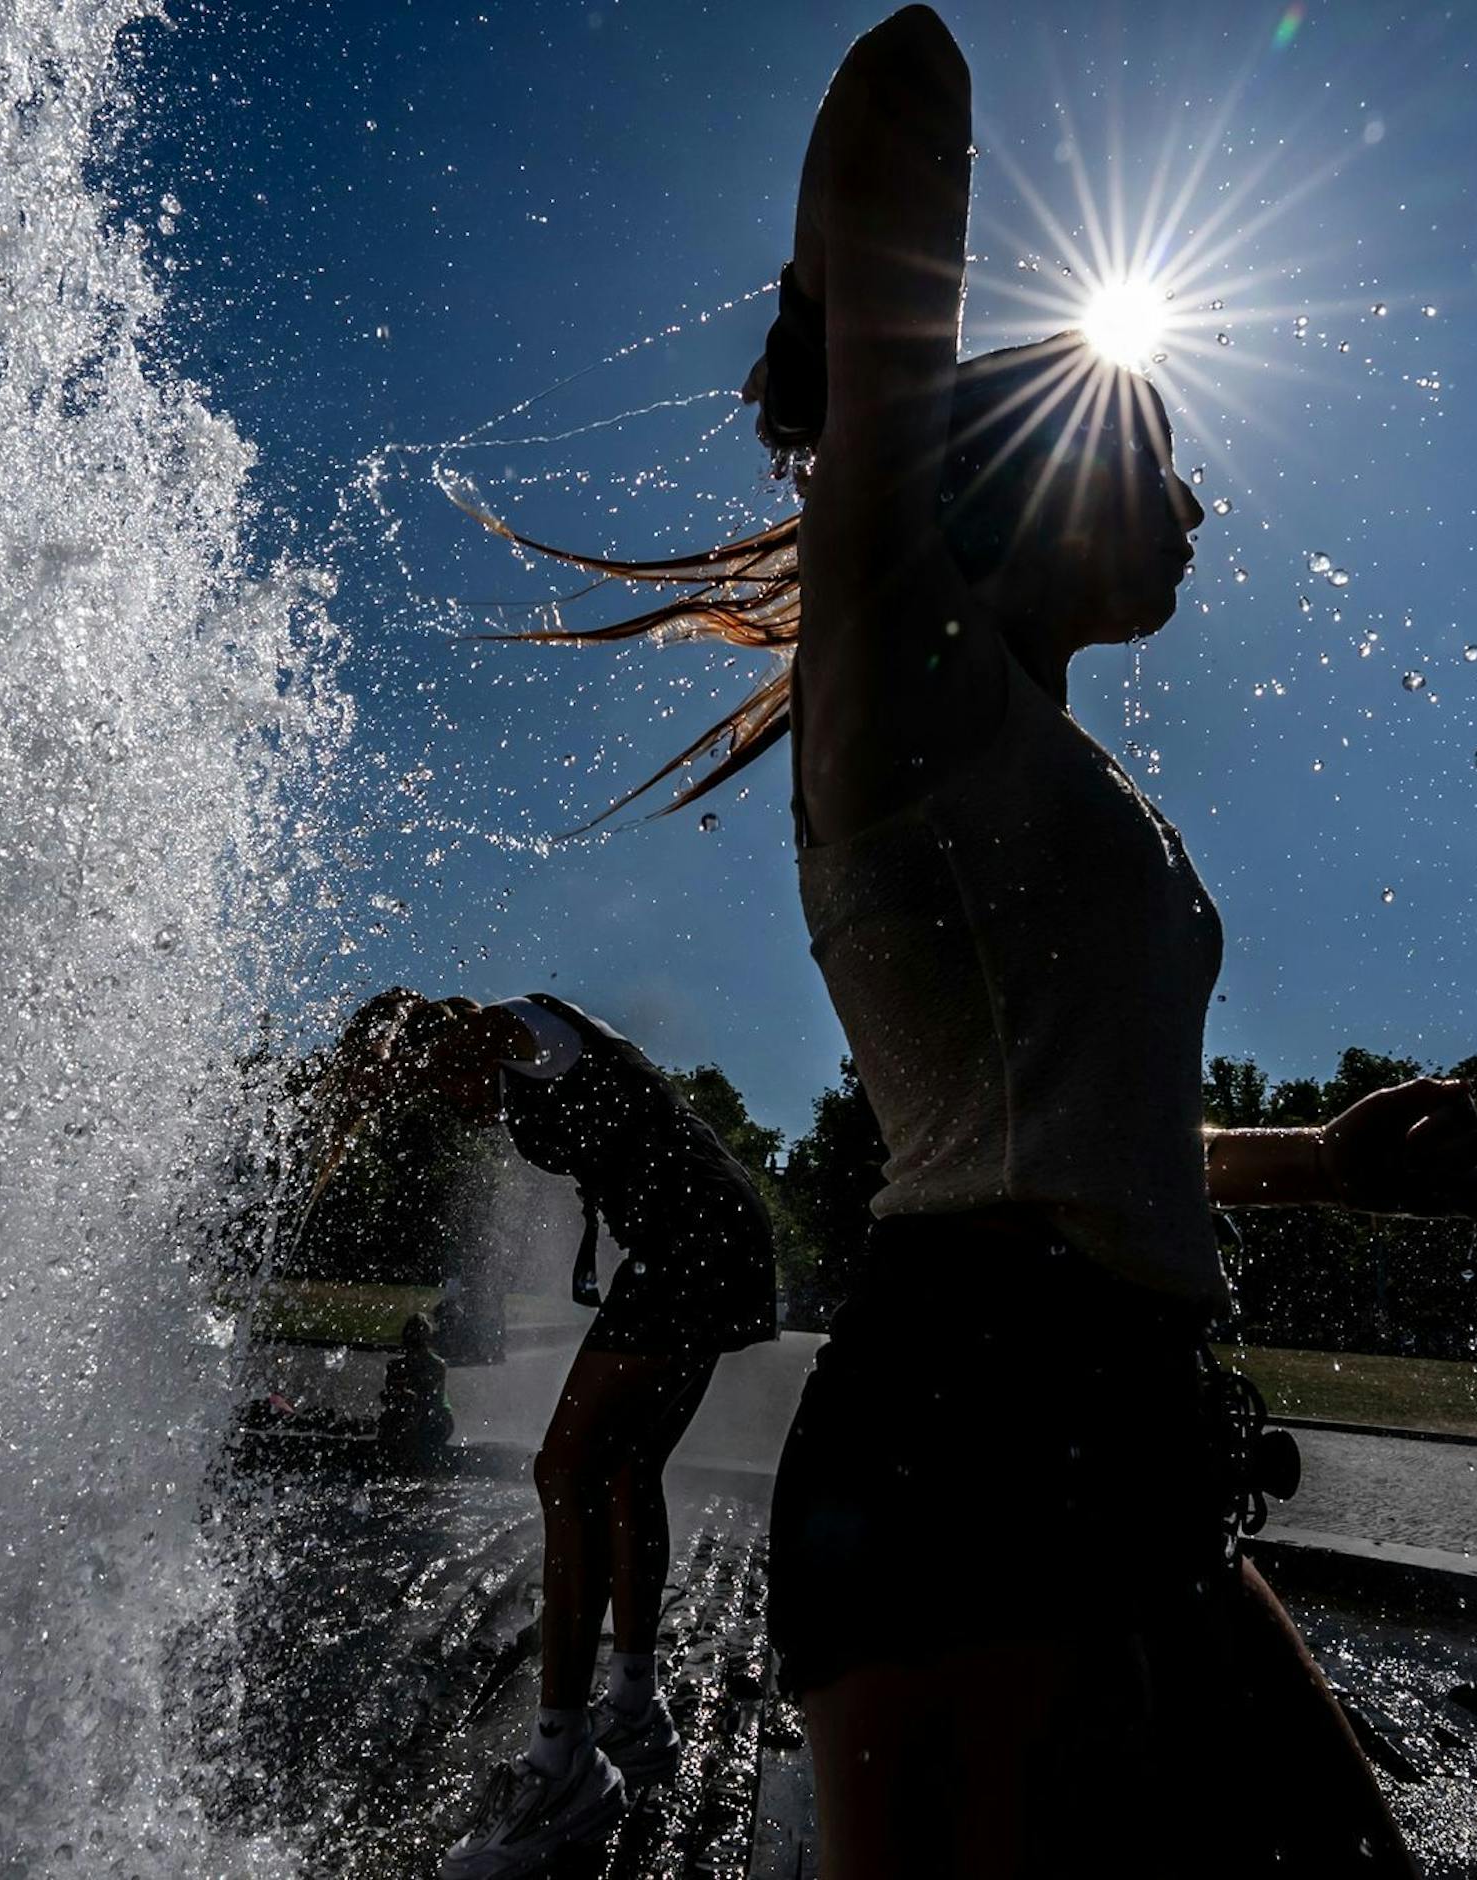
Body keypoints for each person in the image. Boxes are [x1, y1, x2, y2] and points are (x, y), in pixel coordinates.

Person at [465, 9, 1477, 1871]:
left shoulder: (1063, 772)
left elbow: (1074, 1144)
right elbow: (905, 73)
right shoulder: (903, 702)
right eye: (1154, 452)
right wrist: (842, 363)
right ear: (1031, 483)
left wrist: (1321, 1162)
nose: (1198, 501)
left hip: (1133, 1434)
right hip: (975, 1435)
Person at [317, 988, 777, 1878]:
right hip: (708, 1234)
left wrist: (393, 1057)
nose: (448, 1103)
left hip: (693, 1239)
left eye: (436, 1079)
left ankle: (565, 1761)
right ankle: (635, 1713)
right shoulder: (518, 1060)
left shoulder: (520, 1028)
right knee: (626, 1470)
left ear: (446, 1041)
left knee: (565, 1469)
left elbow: (481, 1034)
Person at [375, 1310, 455, 1466]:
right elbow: (392, 1399)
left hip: (434, 1417)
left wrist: (413, 1399)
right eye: (412, 1344)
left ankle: (417, 1458)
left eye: (418, 1344)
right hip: (407, 1414)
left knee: (418, 1424)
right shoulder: (395, 1366)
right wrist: (392, 1396)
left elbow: (434, 1402)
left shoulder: (436, 1366)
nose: (415, 1351)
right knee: (391, 1420)